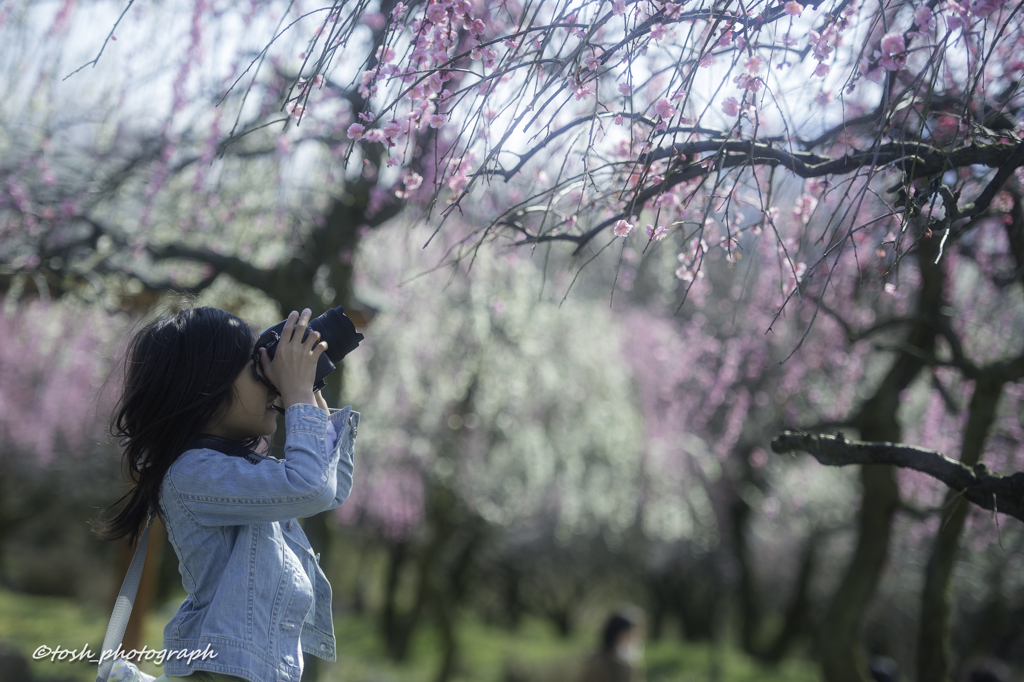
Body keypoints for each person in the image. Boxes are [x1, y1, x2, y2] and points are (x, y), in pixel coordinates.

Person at [99, 307, 359, 682]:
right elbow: (312, 486)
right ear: (206, 388)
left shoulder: (237, 470)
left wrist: (309, 386)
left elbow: (332, 490)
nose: (273, 381)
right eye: (259, 369)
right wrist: (296, 390)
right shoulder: (193, 473)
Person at [576, 611, 644, 682]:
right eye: (627, 636)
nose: (631, 641)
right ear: (615, 635)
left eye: (633, 637)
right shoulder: (598, 663)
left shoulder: (630, 663)